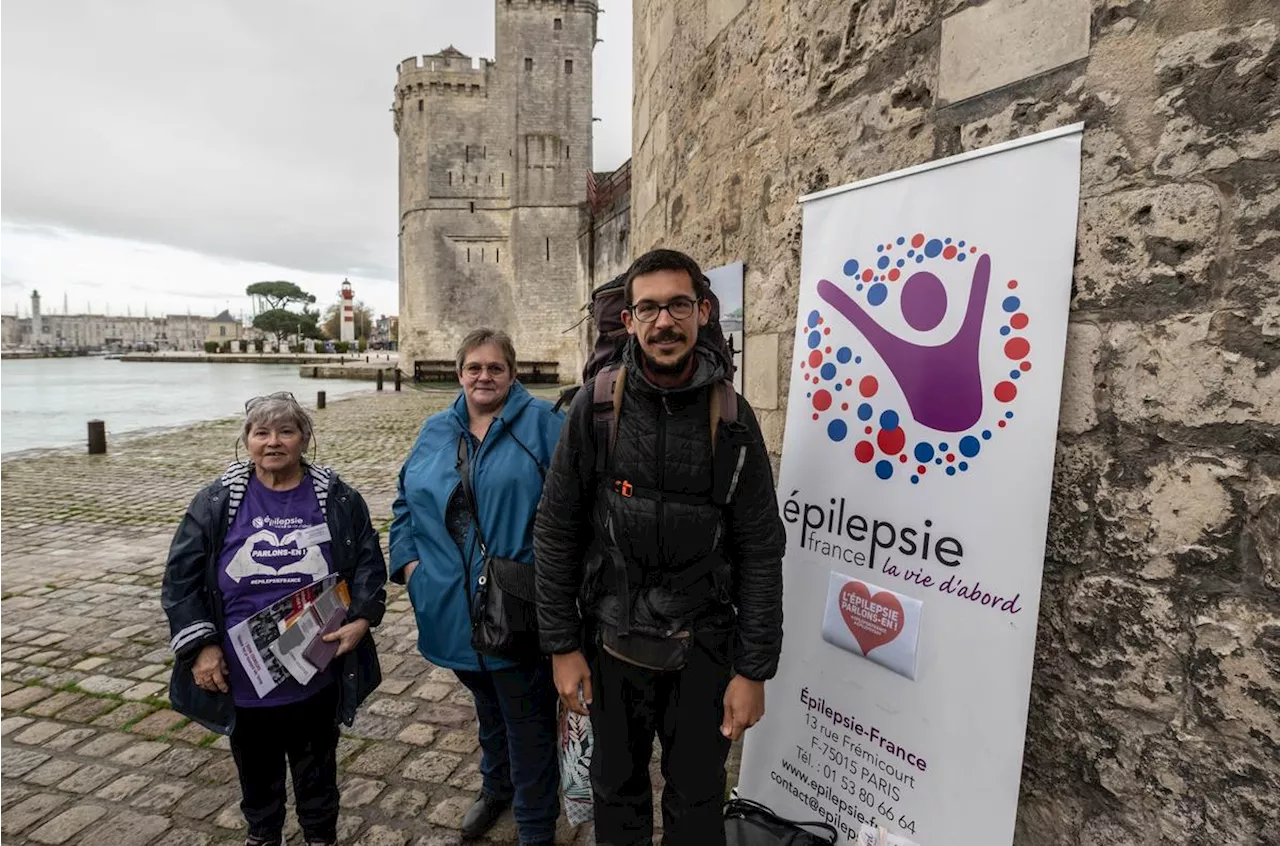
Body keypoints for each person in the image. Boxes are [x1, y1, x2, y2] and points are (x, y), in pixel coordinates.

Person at [535, 248, 786, 845]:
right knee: (616, 794)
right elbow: (556, 529)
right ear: (628, 320)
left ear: (702, 312)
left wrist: (753, 670)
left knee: (697, 798)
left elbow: (759, 549)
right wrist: (562, 647)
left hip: (702, 645)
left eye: (677, 305)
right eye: (647, 308)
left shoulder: (733, 416)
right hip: (612, 640)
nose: (663, 322)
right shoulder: (595, 407)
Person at [161, 392, 386, 846]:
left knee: (317, 772)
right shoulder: (215, 503)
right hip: (242, 678)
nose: (273, 442)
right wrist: (201, 648)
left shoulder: (338, 499)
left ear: (305, 438)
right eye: (261, 432)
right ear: (247, 441)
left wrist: (361, 620)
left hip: (316, 671)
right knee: (257, 776)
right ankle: (263, 836)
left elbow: (367, 565)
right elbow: (180, 580)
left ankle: (320, 837)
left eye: (286, 431)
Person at [390, 329, 565, 846]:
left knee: (527, 719)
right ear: (460, 372)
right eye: (474, 367)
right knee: (487, 706)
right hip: (449, 604)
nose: (483, 377)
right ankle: (497, 787)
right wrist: (409, 569)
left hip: (517, 604)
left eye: (495, 367)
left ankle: (536, 825)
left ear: (512, 373)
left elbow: (572, 510)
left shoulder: (544, 426)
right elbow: (404, 503)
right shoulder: (434, 431)